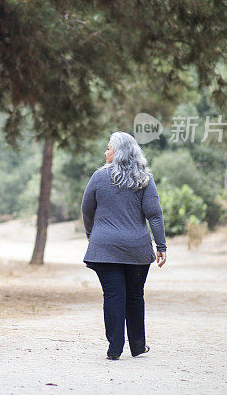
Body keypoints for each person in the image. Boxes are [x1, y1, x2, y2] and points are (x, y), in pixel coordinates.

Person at [81, 131, 167, 360]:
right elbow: (154, 215)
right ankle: (138, 346)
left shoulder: (99, 177)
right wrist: (161, 245)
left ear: (118, 152)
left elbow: (86, 209)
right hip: (136, 249)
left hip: (104, 249)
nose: (105, 152)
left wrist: (91, 234)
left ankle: (114, 349)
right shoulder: (144, 179)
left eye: (109, 148)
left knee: (113, 296)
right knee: (135, 296)